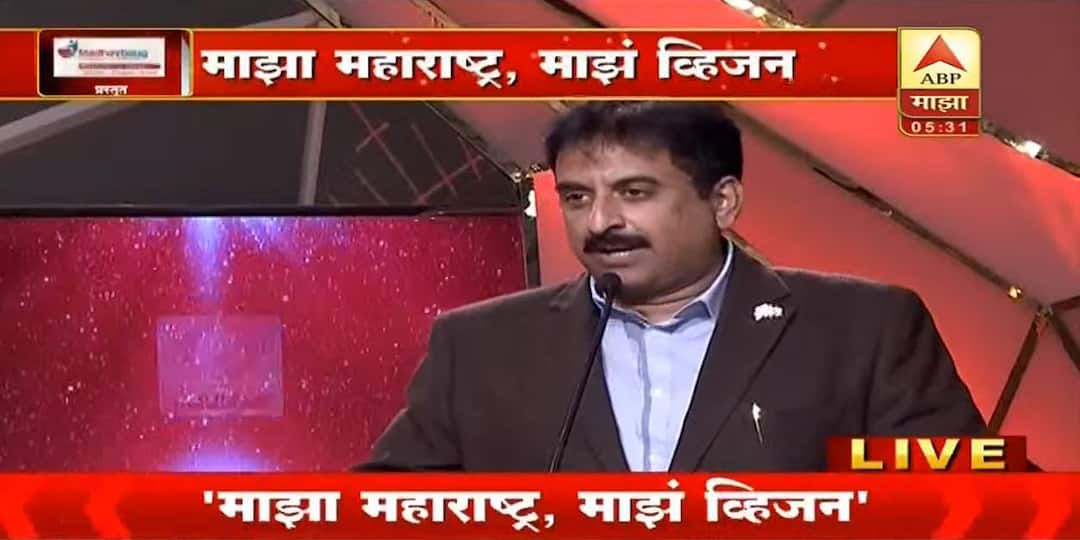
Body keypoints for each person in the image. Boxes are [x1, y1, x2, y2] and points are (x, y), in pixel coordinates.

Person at [362, 101, 986, 472]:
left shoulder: (865, 330)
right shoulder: (482, 347)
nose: (599, 222)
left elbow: (974, 502)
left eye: (634, 193)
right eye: (576, 198)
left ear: (723, 202)